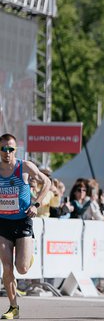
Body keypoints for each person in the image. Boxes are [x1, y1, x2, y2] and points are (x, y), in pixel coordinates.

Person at [0, 134, 52, 320]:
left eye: (10, 149)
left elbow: (47, 182)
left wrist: (36, 204)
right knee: (6, 268)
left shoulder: (24, 166)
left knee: (21, 268)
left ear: (16, 150)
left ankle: (27, 257)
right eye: (3, 149)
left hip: (22, 220)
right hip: (3, 223)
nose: (7, 152)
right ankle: (13, 307)